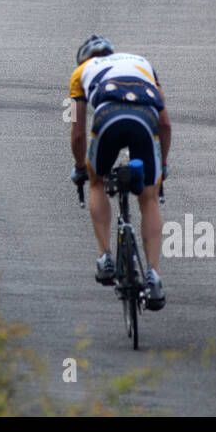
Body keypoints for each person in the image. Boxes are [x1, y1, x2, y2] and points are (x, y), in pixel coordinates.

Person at [67, 35, 171, 309]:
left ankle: (105, 256)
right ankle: (154, 275)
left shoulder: (81, 71)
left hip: (108, 118)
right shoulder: (142, 63)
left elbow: (78, 134)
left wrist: (81, 169)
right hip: (145, 120)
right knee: (148, 198)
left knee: (97, 182)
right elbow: (166, 124)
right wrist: (164, 167)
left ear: (85, 58)